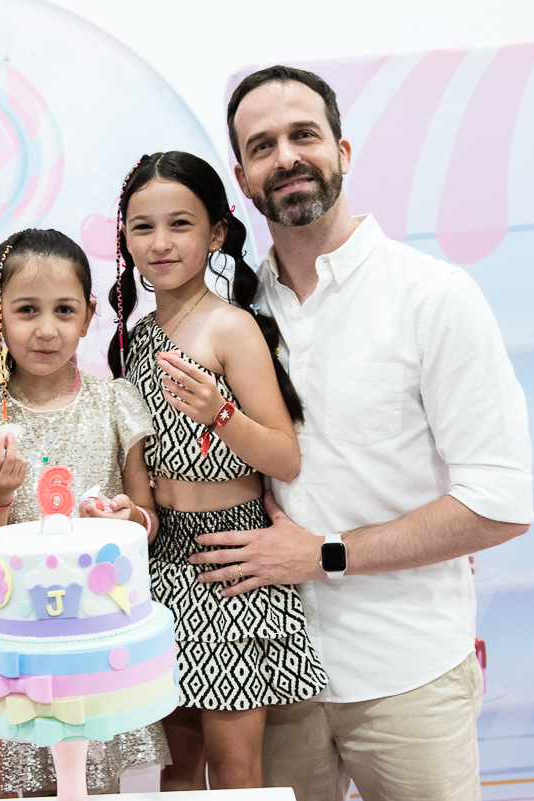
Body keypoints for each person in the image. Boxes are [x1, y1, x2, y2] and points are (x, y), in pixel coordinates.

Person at [186, 65, 534, 801]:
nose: (286, 156)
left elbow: (499, 501)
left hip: (407, 674)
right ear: (242, 179)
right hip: (269, 672)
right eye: (263, 145)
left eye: (303, 134)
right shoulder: (229, 317)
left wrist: (325, 554)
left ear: (343, 150)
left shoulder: (433, 296)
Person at [108, 151, 330, 791]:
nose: (160, 243)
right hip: (160, 563)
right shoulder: (133, 336)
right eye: (141, 227)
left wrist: (219, 411)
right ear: (124, 237)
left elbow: (283, 456)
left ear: (217, 234)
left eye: (180, 224)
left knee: (236, 772)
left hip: (232, 564)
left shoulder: (231, 327)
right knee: (173, 771)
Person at [0, 227, 169, 796]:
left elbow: (147, 518)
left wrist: (125, 518)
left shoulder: (116, 400)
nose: (45, 329)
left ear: (88, 315)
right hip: (26, 667)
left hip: (106, 657)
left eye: (64, 310)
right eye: (26, 310)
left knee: (125, 786)